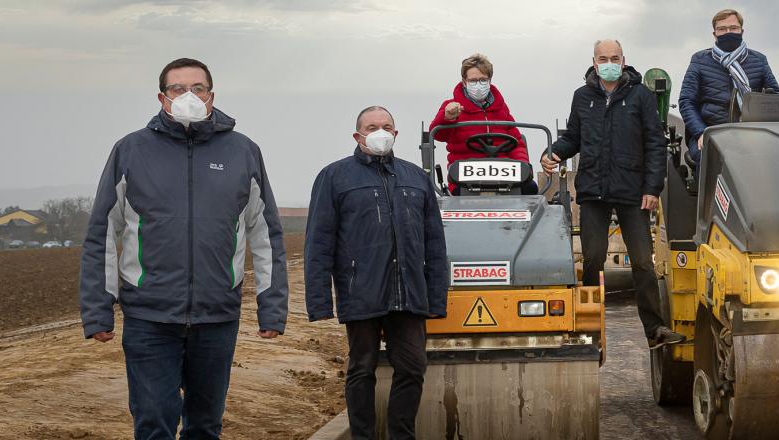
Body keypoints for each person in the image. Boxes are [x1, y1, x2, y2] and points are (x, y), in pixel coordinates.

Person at [78, 57, 289, 439]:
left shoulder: (243, 152)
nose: (188, 95)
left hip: (217, 316)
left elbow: (265, 234)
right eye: (178, 88)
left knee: (205, 425)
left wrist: (271, 308)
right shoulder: (130, 151)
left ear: (212, 96)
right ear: (162, 97)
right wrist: (97, 310)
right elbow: (102, 233)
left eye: (198, 88)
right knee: (154, 422)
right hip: (149, 316)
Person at [305, 106, 449, 440]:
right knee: (361, 369)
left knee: (413, 368)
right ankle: (363, 436)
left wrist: (436, 297)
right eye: (372, 126)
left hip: (410, 292)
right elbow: (318, 241)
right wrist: (319, 302)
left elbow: (435, 244)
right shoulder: (334, 177)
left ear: (396, 134)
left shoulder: (416, 178)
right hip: (361, 290)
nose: (380, 131)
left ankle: (401, 434)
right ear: (358, 135)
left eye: (386, 126)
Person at [540, 39, 683, 347]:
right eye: (603, 57)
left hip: (633, 192)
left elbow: (654, 144)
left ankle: (655, 329)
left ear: (623, 60)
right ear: (594, 62)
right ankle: (591, 329)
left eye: (614, 57)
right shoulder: (582, 97)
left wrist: (652, 188)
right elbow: (573, 138)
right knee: (592, 258)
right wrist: (553, 153)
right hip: (593, 190)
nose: (609, 62)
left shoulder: (641, 95)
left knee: (643, 262)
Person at [679, 8, 779, 165]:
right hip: (711, 131)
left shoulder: (759, 60)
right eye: (722, 29)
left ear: (741, 31)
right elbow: (686, 102)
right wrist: (701, 132)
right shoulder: (699, 60)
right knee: (711, 159)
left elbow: (776, 99)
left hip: (752, 133)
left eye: (733, 28)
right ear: (714, 34)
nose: (728, 32)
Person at [429, 53, 536, 195]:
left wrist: (522, 165)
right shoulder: (452, 107)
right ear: (464, 81)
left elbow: (517, 142)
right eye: (473, 80)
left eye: (483, 80)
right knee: (459, 194)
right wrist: (447, 117)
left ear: (489, 80)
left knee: (531, 188)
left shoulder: (501, 108)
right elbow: (437, 134)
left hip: (503, 173)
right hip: (466, 175)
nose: (478, 84)